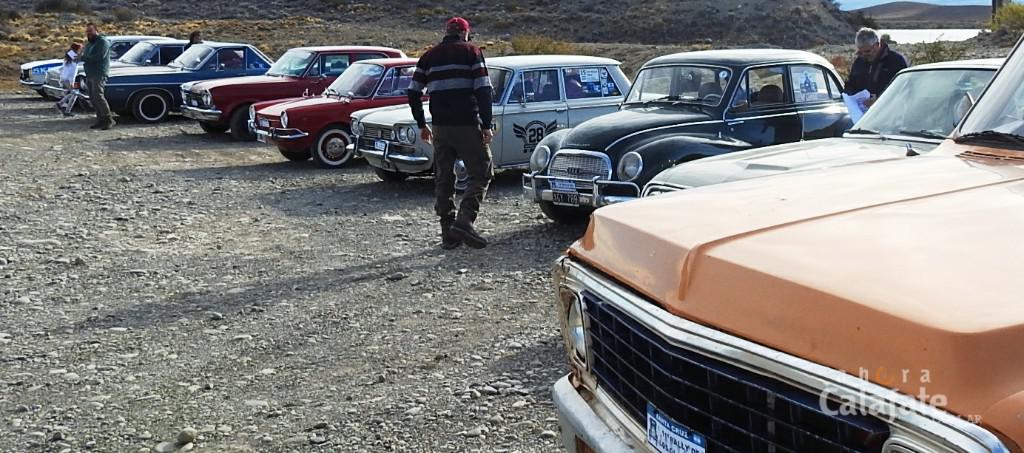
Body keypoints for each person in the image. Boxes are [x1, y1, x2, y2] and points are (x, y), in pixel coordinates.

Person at [407, 17, 494, 250]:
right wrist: (486, 125)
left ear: (446, 32)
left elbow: (413, 92)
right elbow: (483, 90)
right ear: (465, 33)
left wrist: (421, 124)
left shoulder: (429, 56)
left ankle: (448, 234)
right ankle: (464, 221)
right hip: (466, 124)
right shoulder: (472, 52)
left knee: (444, 178)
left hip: (440, 127)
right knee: (482, 172)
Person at [844, 27, 908, 109]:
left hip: (889, 111)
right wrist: (851, 96)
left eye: (867, 51)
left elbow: (904, 88)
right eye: (860, 52)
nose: (864, 55)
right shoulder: (859, 62)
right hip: (862, 113)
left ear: (877, 45)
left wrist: (879, 98)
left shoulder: (895, 61)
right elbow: (850, 85)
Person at [81, 23, 114, 130]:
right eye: (87, 31)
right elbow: (86, 55)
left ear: (96, 30)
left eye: (90, 31)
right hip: (90, 73)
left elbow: (99, 56)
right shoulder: (90, 44)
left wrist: (83, 57)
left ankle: (108, 120)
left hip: (98, 73)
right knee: (93, 98)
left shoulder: (102, 42)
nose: (88, 33)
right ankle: (100, 120)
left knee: (98, 97)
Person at [55, 42, 82, 117]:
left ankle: (66, 110)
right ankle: (60, 104)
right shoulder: (72, 56)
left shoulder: (69, 57)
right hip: (68, 79)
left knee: (74, 94)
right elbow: (72, 71)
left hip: (68, 79)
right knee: (74, 93)